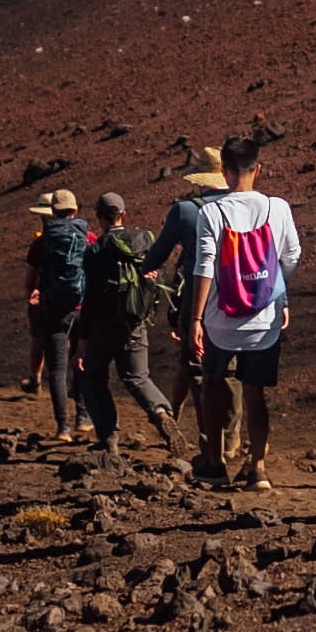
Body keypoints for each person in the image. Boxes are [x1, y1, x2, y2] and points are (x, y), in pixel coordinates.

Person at [189, 130, 302, 491]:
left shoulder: (211, 212)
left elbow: (205, 266)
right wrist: (278, 296)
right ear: (258, 168)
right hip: (264, 319)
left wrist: (195, 317)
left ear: (224, 171)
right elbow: (292, 256)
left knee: (213, 385)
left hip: (221, 321)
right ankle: (259, 468)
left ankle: (215, 462)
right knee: (255, 393)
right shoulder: (278, 207)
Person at [76, 192, 177, 452]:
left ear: (99, 218)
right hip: (135, 322)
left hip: (103, 327)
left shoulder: (96, 250)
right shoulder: (144, 241)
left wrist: (83, 338)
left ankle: (108, 438)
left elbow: (90, 298)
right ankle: (161, 413)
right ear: (123, 214)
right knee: (138, 377)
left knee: (93, 379)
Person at [137, 147, 226, 417]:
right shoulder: (242, 205)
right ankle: (230, 437)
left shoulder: (185, 210)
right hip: (236, 292)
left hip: (196, 293)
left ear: (199, 180)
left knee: (194, 363)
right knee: (229, 368)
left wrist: (145, 268)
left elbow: (158, 254)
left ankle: (208, 436)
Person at [23, 190, 88, 436]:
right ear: (75, 211)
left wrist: (35, 295)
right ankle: (83, 418)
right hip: (82, 310)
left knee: (58, 370)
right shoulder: (88, 237)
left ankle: (63, 428)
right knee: (80, 363)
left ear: (53, 211)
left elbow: (30, 280)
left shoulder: (42, 242)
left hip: (54, 310)